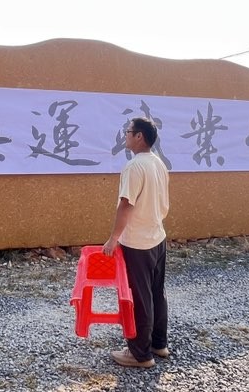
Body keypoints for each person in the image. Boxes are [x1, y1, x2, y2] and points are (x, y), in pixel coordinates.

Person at [102, 117, 170, 368]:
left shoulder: (134, 167)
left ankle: (140, 354)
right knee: (156, 293)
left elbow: (126, 204)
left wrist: (113, 238)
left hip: (138, 242)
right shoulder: (158, 163)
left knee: (139, 297)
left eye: (128, 132)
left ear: (139, 136)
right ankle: (158, 344)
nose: (126, 135)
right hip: (157, 236)